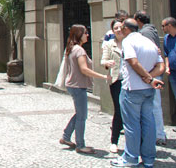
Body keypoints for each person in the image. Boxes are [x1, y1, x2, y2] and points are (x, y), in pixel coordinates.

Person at [111, 19, 164, 168]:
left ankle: (131, 158)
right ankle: (148, 159)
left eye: (122, 28)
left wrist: (146, 78)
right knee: (148, 123)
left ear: (126, 29)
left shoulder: (129, 42)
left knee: (132, 125)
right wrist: (150, 78)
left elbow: (133, 62)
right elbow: (161, 65)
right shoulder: (149, 42)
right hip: (148, 90)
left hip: (132, 89)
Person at [60, 24, 110, 154]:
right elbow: (84, 69)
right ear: (79, 34)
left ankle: (66, 137)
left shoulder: (72, 48)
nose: (87, 35)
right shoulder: (79, 50)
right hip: (78, 86)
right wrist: (102, 76)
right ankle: (80, 145)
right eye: (85, 32)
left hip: (73, 85)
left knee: (79, 114)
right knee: (82, 116)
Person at [134, 10, 167, 145]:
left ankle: (159, 134)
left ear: (138, 21)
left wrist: (147, 76)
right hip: (152, 73)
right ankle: (158, 133)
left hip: (150, 74)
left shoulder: (144, 34)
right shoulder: (151, 30)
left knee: (154, 104)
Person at [101, 20, 124, 153]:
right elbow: (103, 60)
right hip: (116, 81)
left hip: (130, 81)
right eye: (116, 28)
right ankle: (114, 141)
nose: (119, 30)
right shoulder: (110, 44)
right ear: (113, 31)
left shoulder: (129, 42)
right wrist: (107, 63)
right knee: (119, 110)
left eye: (121, 27)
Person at [162, 17, 176, 102]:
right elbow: (166, 54)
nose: (162, 28)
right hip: (172, 72)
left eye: (163, 26)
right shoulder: (166, 38)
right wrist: (167, 67)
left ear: (169, 26)